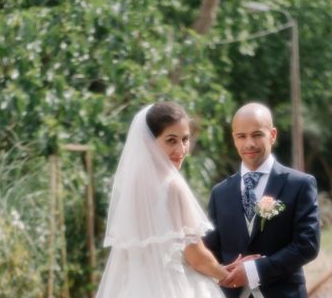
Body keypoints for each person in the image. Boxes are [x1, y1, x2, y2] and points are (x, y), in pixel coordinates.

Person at [96, 102, 242, 298]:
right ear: (150, 142)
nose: (181, 149)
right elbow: (195, 256)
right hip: (176, 288)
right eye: (171, 140)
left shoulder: (132, 185)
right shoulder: (172, 186)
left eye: (185, 139)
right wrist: (226, 275)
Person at [204, 103, 320, 298]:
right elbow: (210, 249)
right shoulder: (220, 193)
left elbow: (307, 245)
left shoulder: (300, 184)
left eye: (257, 134)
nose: (249, 143)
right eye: (241, 136)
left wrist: (253, 271)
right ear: (234, 139)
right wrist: (221, 273)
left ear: (272, 135)